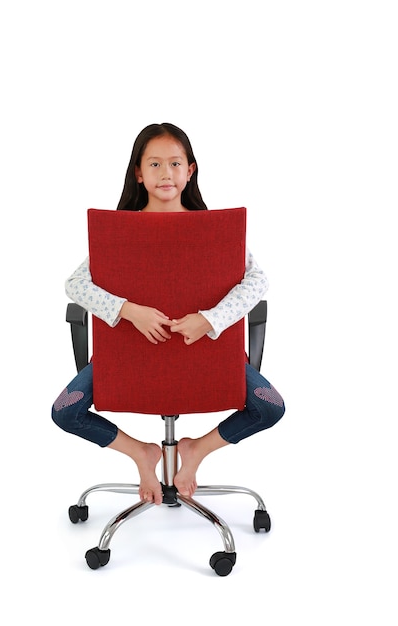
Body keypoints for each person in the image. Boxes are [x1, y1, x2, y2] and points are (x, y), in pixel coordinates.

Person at [52, 122, 285, 506]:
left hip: (201, 353)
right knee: (65, 412)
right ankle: (141, 453)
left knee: (270, 407)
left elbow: (257, 281)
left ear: (190, 171)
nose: (166, 173)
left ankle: (196, 451)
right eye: (155, 164)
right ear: (139, 174)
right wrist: (129, 311)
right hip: (132, 355)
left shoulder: (213, 231)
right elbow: (75, 285)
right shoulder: (119, 233)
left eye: (175, 163)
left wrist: (210, 318)